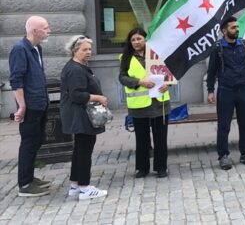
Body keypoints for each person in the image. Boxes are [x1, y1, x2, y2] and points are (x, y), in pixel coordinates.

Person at [206, 17, 245, 170]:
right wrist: (210, 90)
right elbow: (211, 71)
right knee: (224, 125)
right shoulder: (218, 48)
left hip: (243, 90)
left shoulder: (244, 44)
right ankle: (223, 155)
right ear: (224, 30)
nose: (237, 30)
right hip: (226, 91)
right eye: (233, 28)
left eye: (237, 27)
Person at [60, 35, 108, 200]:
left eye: (89, 49)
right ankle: (85, 187)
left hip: (79, 114)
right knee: (85, 150)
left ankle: (75, 184)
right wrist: (98, 98)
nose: (88, 52)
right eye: (84, 49)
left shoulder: (79, 66)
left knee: (79, 150)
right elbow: (77, 95)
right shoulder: (75, 69)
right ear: (75, 50)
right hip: (79, 115)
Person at [8, 16, 52, 197]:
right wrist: (22, 106)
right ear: (35, 31)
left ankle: (30, 177)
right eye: (45, 27)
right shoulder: (20, 49)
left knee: (37, 139)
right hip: (30, 105)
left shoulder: (36, 48)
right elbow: (16, 79)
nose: (49, 30)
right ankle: (25, 184)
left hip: (40, 102)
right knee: (29, 142)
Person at [118, 27, 170, 178]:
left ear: (145, 39)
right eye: (133, 40)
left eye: (139, 39)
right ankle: (142, 168)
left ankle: (161, 167)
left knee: (160, 137)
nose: (136, 42)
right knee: (142, 139)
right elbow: (122, 78)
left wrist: (169, 83)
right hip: (139, 105)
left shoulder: (157, 54)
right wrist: (139, 81)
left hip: (159, 103)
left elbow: (169, 74)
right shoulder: (125, 58)